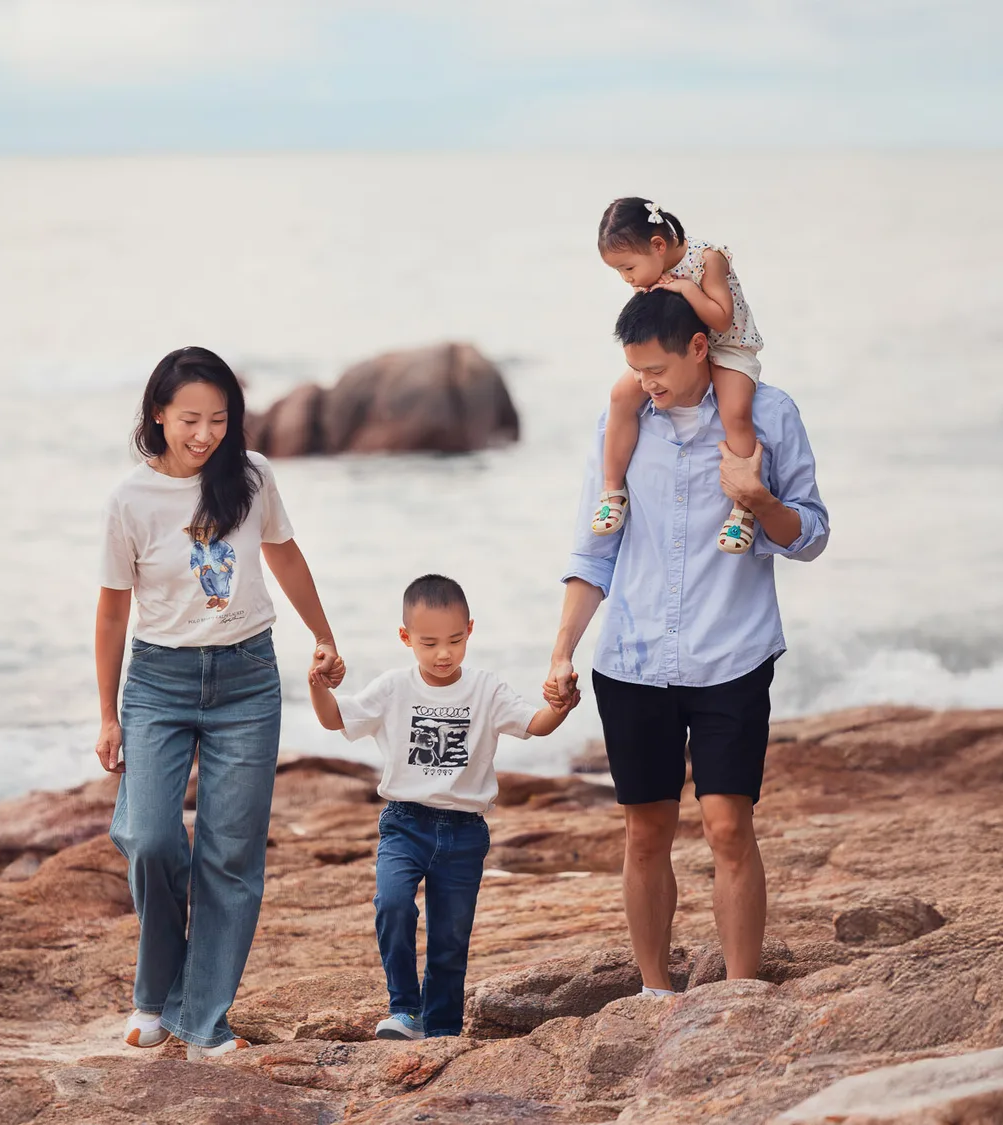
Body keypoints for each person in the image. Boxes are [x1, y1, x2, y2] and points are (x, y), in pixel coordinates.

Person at [547, 289, 828, 999]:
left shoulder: (769, 415)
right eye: (636, 371)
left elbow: (814, 534)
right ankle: (654, 994)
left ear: (700, 348)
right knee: (646, 832)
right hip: (633, 660)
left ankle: (739, 995)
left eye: (657, 370)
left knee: (729, 824)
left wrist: (759, 499)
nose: (648, 385)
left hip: (731, 653)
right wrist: (562, 650)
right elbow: (593, 550)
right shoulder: (624, 423)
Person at [94, 346, 345, 1060]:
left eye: (218, 418)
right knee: (149, 837)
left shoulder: (252, 476)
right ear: (158, 415)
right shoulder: (129, 500)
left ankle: (201, 1017)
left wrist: (323, 635)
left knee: (231, 855)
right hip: (158, 682)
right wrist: (108, 712)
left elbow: (284, 555)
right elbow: (111, 613)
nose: (204, 433)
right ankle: (157, 988)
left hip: (246, 679)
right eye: (190, 420)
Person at [309, 574, 579, 1040]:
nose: (443, 653)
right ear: (405, 638)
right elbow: (336, 718)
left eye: (455, 640)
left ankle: (443, 1030)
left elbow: (535, 724)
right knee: (392, 904)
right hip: (404, 824)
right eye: (429, 642)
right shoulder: (394, 687)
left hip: (464, 831)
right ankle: (404, 1010)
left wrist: (563, 705)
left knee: (450, 940)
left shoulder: (486, 689)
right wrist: (317, 682)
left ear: (470, 630)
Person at [592, 197, 765, 553]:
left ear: (657, 246)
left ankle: (743, 510)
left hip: (727, 346)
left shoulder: (707, 259)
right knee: (621, 396)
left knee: (735, 412)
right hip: (677, 354)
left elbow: (721, 318)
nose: (626, 279)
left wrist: (687, 288)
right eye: (619, 273)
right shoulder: (652, 272)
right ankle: (612, 489)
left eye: (627, 268)